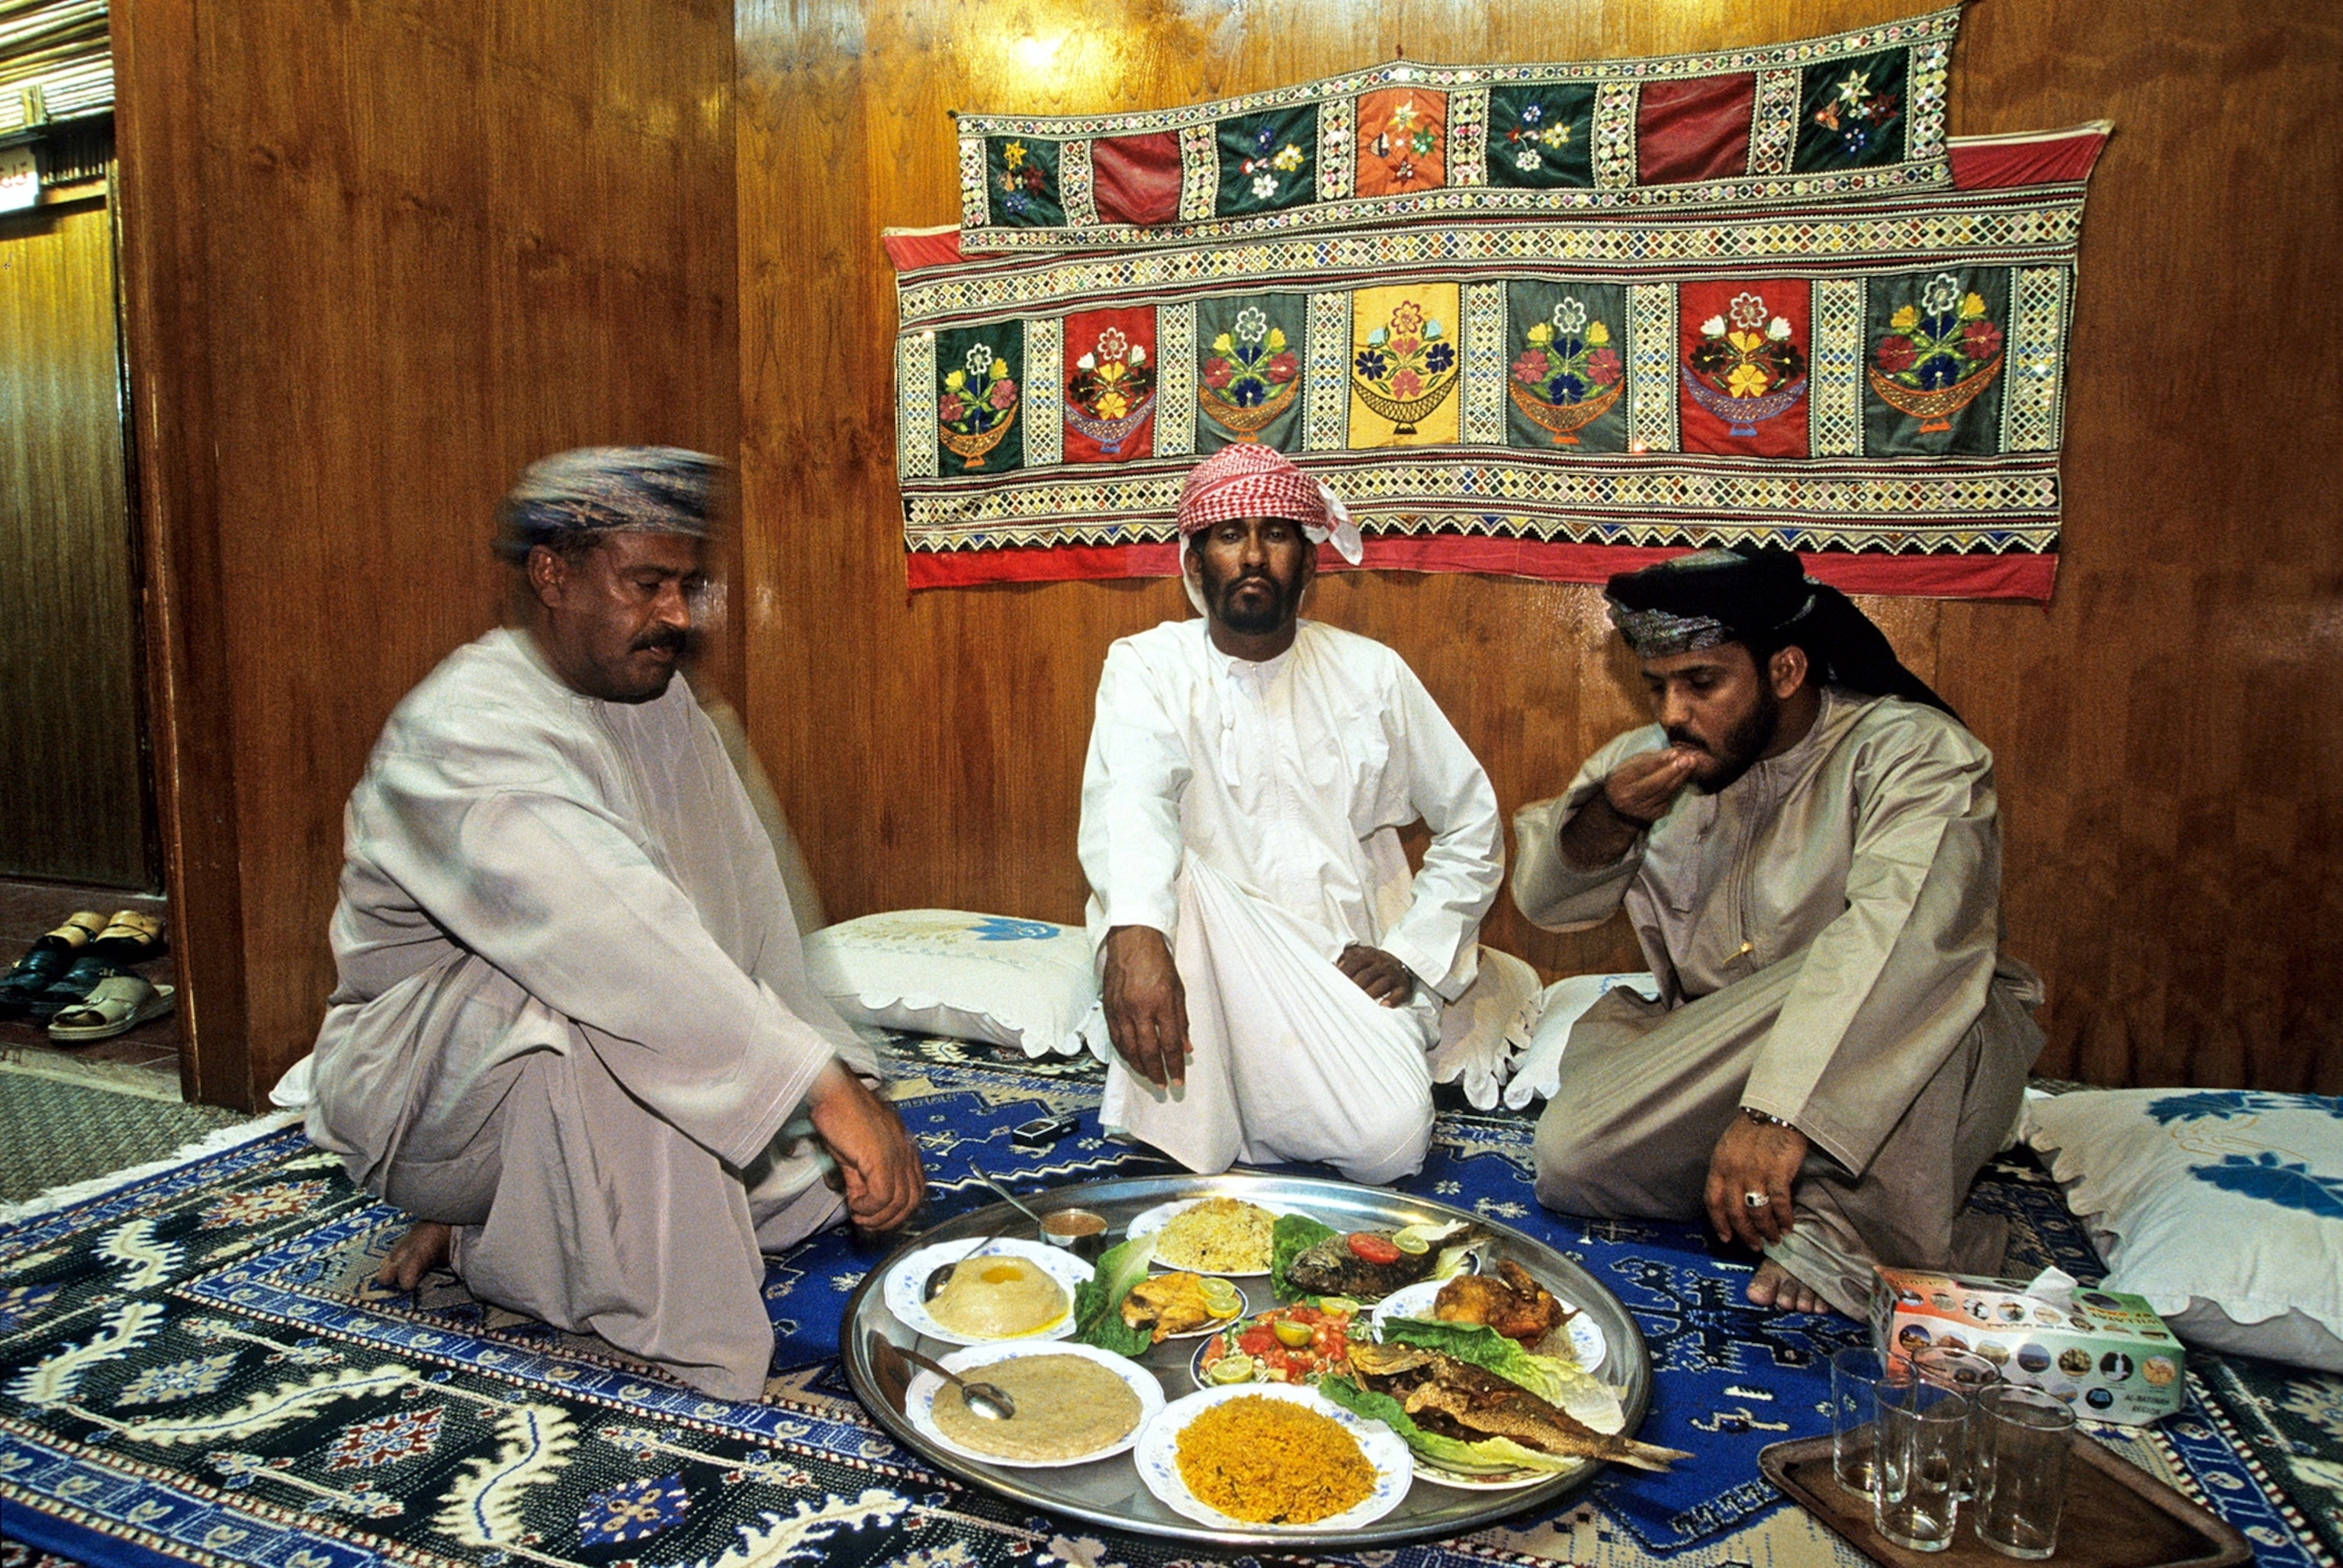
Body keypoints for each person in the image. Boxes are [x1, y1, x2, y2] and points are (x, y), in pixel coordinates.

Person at [305, 447, 924, 1400]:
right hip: (421, 1087)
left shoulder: (663, 703)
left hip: (528, 1069)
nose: (676, 616)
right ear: (553, 575)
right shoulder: (465, 724)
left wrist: (838, 1073)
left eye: (685, 584)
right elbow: (611, 937)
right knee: (602, 1000)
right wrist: (819, 1086)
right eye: (648, 583)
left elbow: (749, 905)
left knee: (791, 1169)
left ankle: (517, 1222)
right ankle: (660, 1334)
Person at [1514, 545, 2042, 1316]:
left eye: (1702, 683)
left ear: (1786, 672)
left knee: (1905, 963)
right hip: (1724, 1044)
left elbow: (1906, 935)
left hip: (1908, 1037)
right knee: (1571, 1157)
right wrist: (1612, 815)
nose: (1671, 714)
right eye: (1658, 687)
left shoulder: (1915, 753)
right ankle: (1817, 1184)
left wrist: (1777, 1111)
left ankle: (1843, 1226)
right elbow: (1547, 902)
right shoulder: (1656, 759)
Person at [1078, 443, 1503, 1184]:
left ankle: (1241, 1114)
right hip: (1192, 966)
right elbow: (1133, 801)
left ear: (1308, 566)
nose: (1251, 555)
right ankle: (1217, 1108)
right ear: (1194, 561)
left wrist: (1413, 951)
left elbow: (1473, 819)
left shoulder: (1371, 674)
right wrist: (1137, 934)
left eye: (1276, 534)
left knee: (1393, 1141)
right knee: (1163, 871)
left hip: (1334, 972)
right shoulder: (1146, 666)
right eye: (1227, 533)